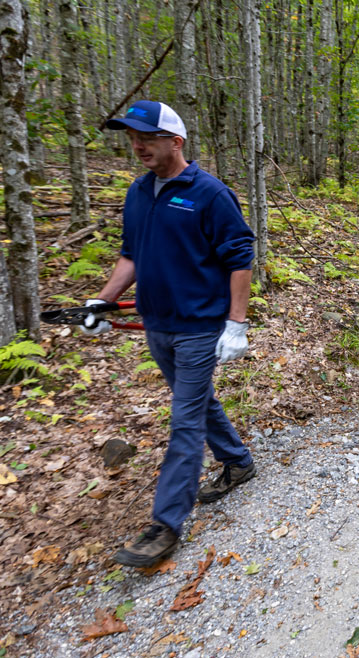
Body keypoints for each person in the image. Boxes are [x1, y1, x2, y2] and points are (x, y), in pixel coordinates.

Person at [82, 100, 257, 567]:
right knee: (196, 401)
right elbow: (131, 256)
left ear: (175, 141)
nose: (137, 146)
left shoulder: (210, 194)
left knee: (184, 421)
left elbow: (240, 258)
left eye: (147, 138)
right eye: (132, 138)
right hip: (155, 324)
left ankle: (166, 523)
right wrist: (102, 299)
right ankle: (238, 461)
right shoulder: (139, 193)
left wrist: (236, 325)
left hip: (199, 327)